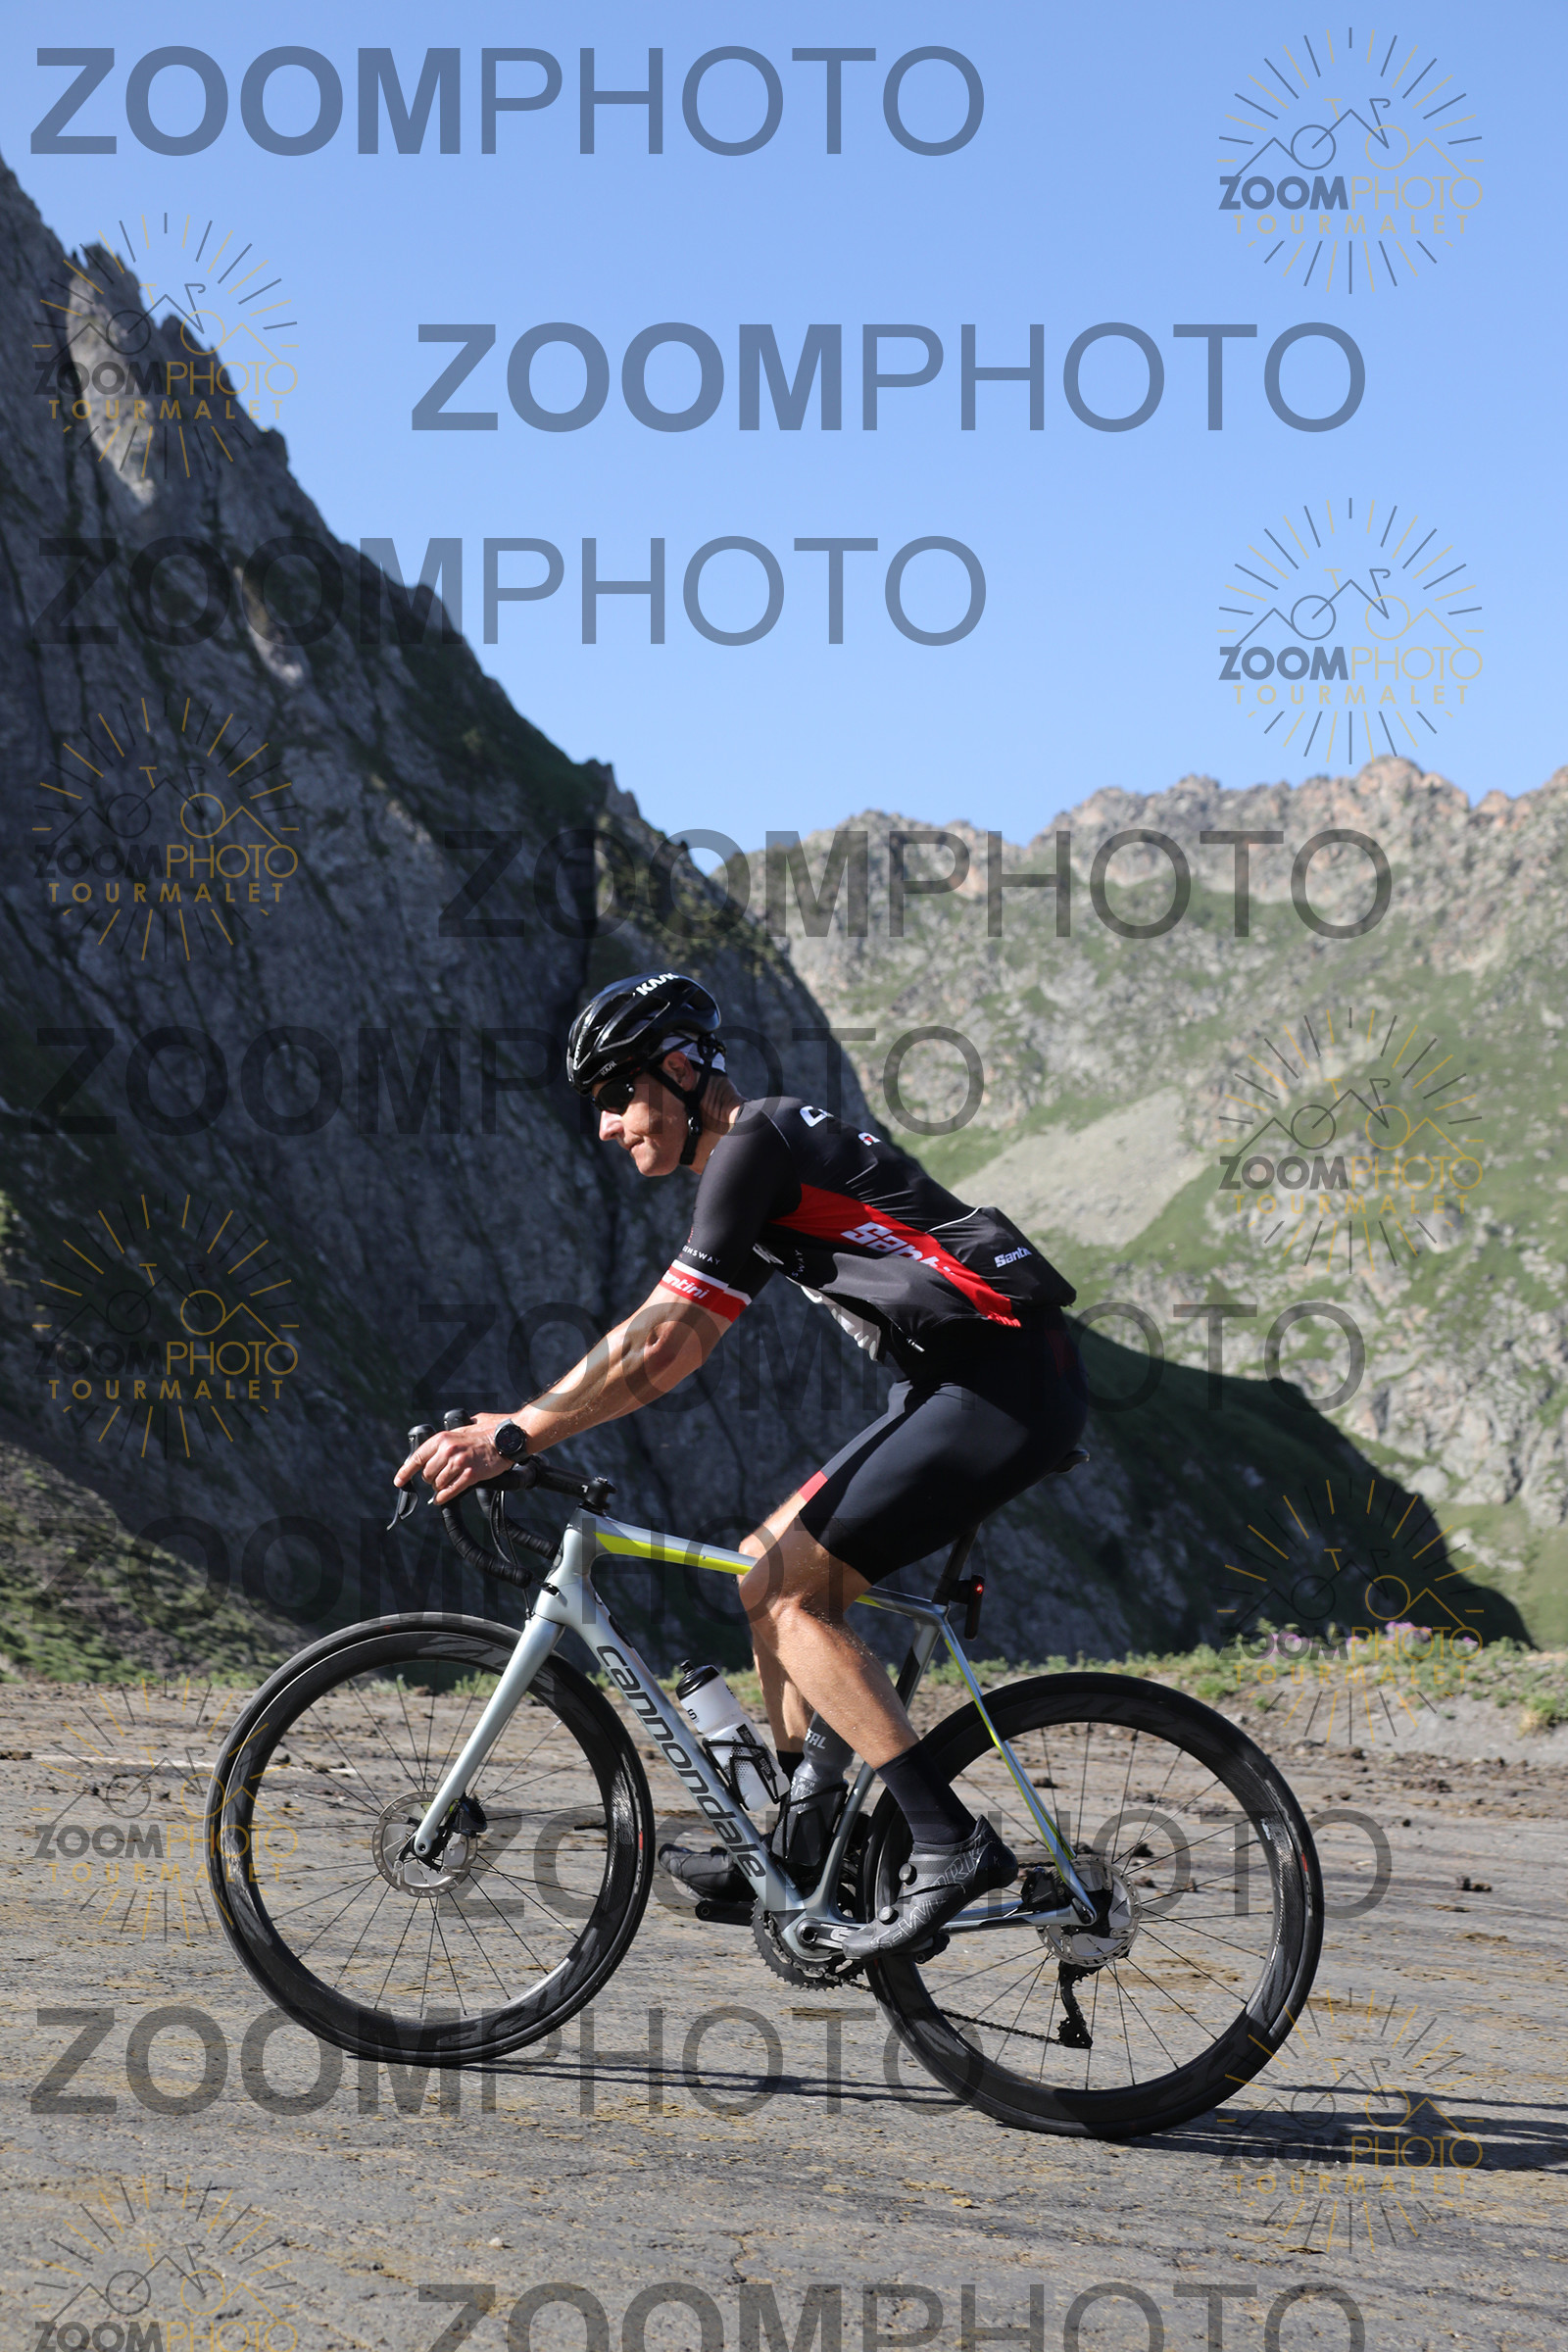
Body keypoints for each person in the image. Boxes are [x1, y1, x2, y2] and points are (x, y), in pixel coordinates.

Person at [397, 970, 1088, 1958]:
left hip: (999, 1384)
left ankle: (947, 1842)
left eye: (616, 1094)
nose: (606, 1126)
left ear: (682, 1070)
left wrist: (516, 1434)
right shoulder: (766, 1164)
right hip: (976, 1381)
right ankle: (804, 1837)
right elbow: (672, 1347)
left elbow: (660, 1337)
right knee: (766, 1569)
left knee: (792, 1595)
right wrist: (534, 1424)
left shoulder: (753, 1142)